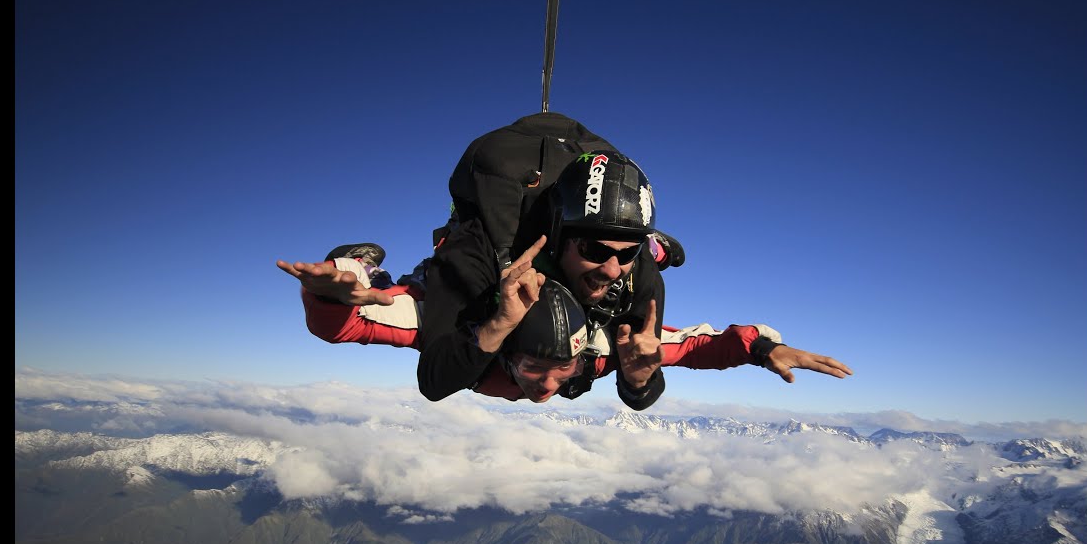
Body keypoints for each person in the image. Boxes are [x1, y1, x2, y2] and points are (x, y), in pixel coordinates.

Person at [275, 244, 853, 403]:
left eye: (562, 370)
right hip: (466, 286)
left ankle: (648, 249)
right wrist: (332, 291)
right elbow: (349, 324)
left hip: (577, 284)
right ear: (507, 351)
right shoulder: (458, 331)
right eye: (534, 368)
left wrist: (764, 349)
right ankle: (364, 260)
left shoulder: (604, 347)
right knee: (413, 284)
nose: (548, 388)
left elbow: (697, 345)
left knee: (627, 270)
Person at [415, 149, 672, 410]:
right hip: (505, 242)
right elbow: (433, 382)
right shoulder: (477, 248)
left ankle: (655, 247)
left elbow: (642, 391)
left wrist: (638, 381)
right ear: (560, 236)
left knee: (654, 257)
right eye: (595, 250)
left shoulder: (640, 268)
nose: (612, 271)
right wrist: (500, 322)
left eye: (628, 252)